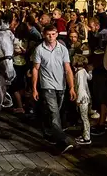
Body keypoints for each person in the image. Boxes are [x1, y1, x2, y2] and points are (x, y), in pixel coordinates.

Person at [31, 24, 76, 154]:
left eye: (53, 34)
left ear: (57, 34)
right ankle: (62, 141)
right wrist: (34, 88)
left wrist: (71, 87)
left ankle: (50, 132)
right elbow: (35, 69)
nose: (51, 37)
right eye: (48, 34)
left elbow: (67, 69)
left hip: (61, 85)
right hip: (47, 85)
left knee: (56, 112)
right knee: (54, 113)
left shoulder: (62, 49)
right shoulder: (39, 49)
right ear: (44, 35)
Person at [73, 54, 93, 146]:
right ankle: (85, 135)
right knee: (85, 117)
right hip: (86, 97)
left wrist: (78, 99)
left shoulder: (79, 73)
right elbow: (89, 77)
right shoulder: (83, 71)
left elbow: (80, 87)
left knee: (84, 118)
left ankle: (87, 138)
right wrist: (90, 71)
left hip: (82, 98)